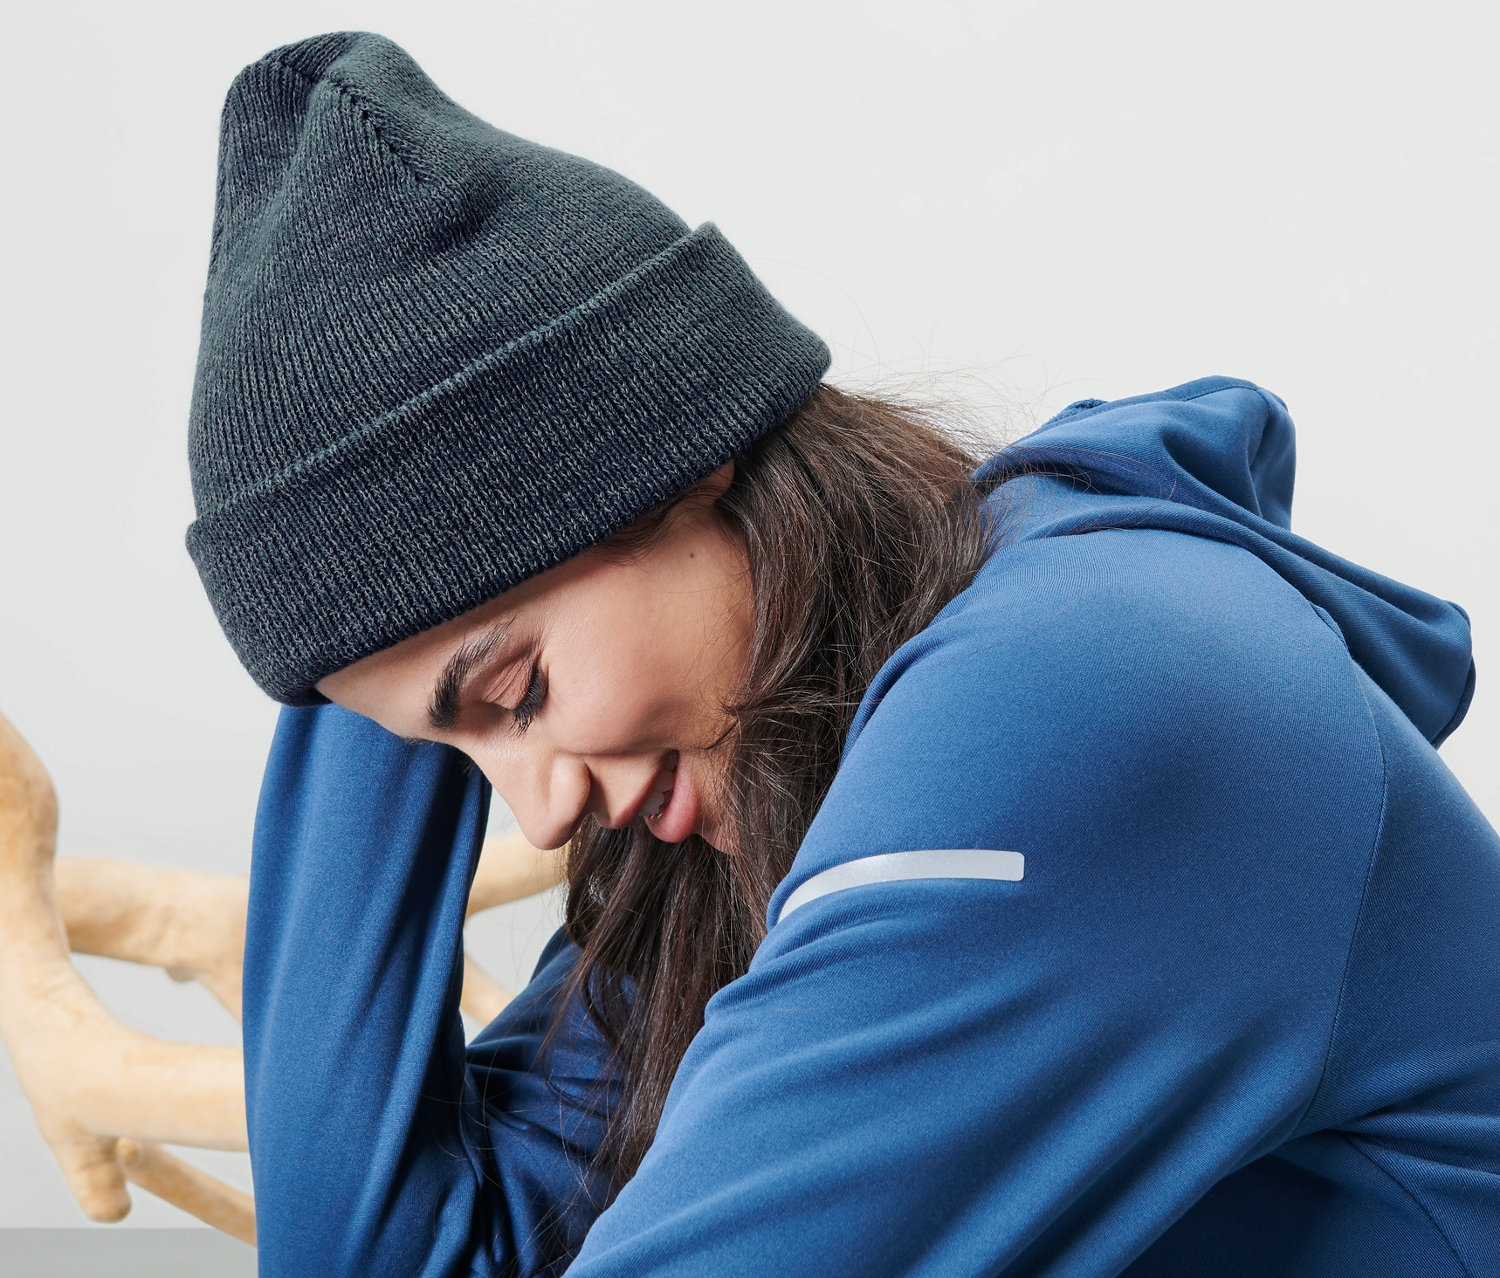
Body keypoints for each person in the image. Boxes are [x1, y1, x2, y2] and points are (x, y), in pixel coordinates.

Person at [185, 29, 1500, 1278]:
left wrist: (381, 568)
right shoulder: (772, 819)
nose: (536, 809)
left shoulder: (1077, 701)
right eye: (452, 757)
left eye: (519, 692)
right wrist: (359, 610)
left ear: (670, 452)